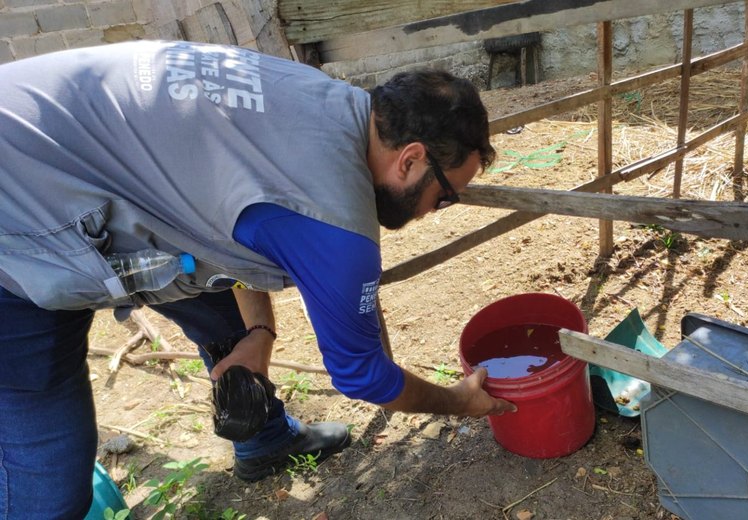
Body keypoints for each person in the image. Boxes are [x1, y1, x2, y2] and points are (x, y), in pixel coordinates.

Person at [0, 40, 516, 519]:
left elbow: (226, 218)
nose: (437, 210)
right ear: (411, 160)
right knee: (48, 465)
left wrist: (260, 335)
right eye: (445, 195)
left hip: (76, 148)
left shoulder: (328, 103)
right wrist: (460, 402)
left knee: (219, 309)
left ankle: (264, 438)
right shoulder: (334, 224)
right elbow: (364, 378)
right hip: (21, 210)